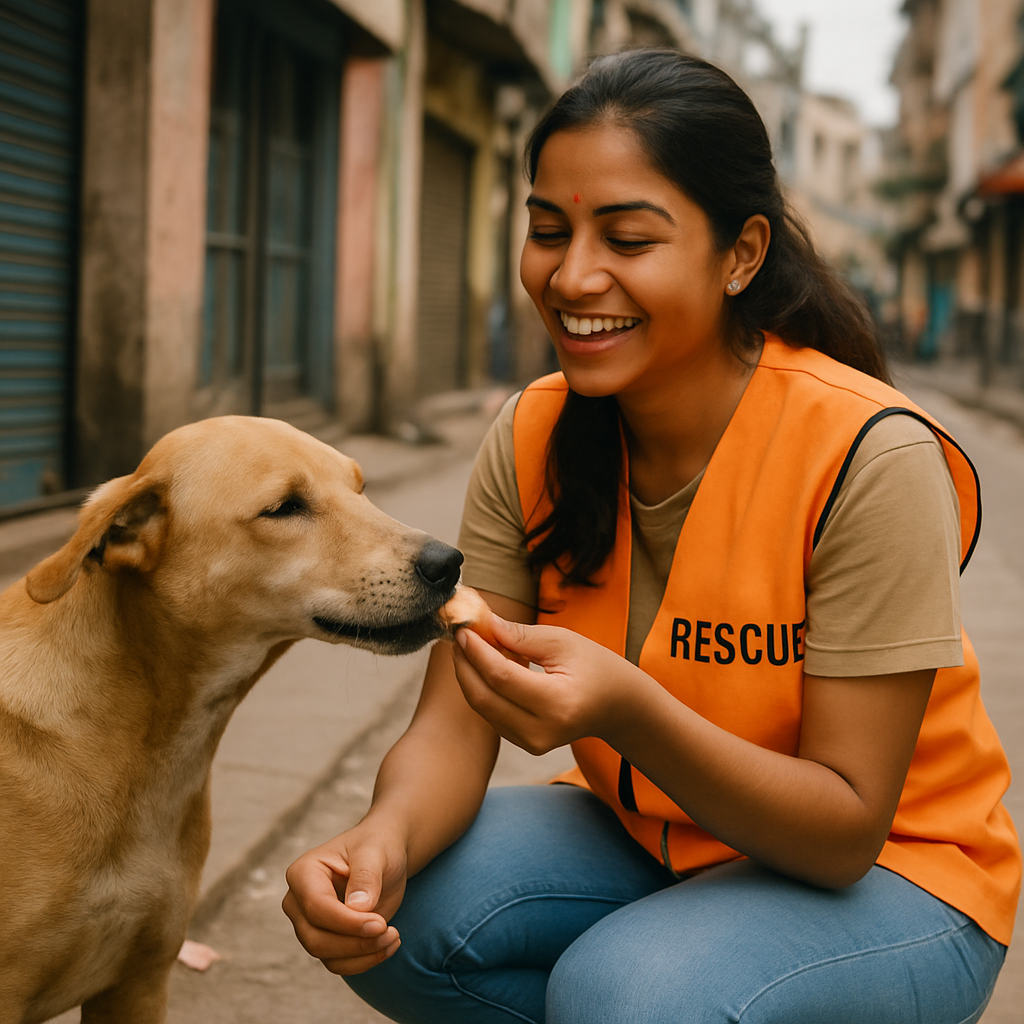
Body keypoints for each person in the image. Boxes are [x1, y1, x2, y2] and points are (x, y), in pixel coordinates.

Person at [282, 50, 1021, 1023]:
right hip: (660, 835)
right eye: (548, 229)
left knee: (624, 992)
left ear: (741, 254)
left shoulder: (865, 454)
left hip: (899, 875)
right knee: (399, 910)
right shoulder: (533, 433)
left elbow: (845, 827)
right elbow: (449, 732)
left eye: (627, 238)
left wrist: (627, 711)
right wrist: (380, 836)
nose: (573, 274)